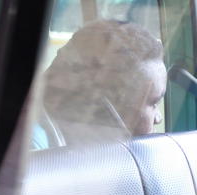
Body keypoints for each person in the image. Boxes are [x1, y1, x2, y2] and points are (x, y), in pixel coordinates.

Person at [34, 19, 166, 148]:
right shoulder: (35, 149)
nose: (158, 118)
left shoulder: (62, 145)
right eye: (153, 103)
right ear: (109, 108)